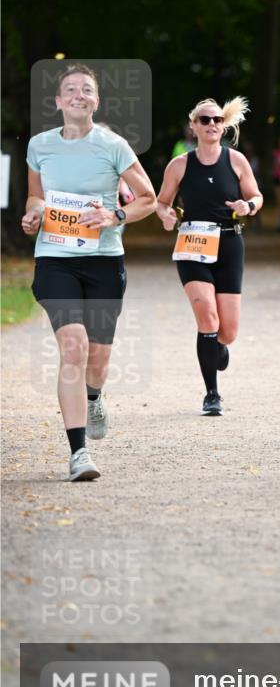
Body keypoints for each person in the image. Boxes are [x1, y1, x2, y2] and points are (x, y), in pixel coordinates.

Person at [21, 63, 157, 482]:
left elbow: (148, 199)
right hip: (55, 260)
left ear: (96, 101)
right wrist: (32, 216)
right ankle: (78, 452)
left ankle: (94, 395)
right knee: (74, 348)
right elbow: (34, 197)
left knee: (97, 361)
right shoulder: (39, 145)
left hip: (103, 262)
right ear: (59, 102)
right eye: (71, 89)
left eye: (87, 89)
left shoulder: (113, 145)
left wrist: (115, 214)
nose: (79, 94)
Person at [156, 96, 263, 416]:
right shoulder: (179, 165)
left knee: (227, 331)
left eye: (217, 120)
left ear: (223, 125)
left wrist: (248, 206)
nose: (212, 124)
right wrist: (165, 215)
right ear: (194, 126)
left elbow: (256, 195)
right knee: (208, 318)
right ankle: (211, 394)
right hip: (193, 245)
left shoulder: (236, 161)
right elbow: (161, 202)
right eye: (205, 120)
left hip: (230, 244)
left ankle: (217, 344)